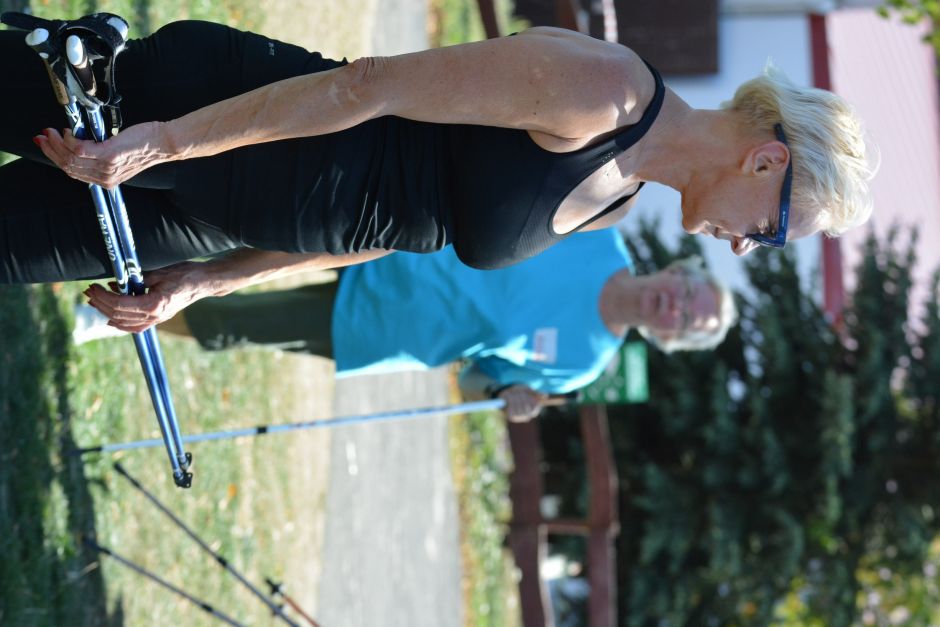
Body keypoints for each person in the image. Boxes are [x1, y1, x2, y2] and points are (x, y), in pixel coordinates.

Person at [1, 17, 873, 333]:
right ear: (766, 159)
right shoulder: (605, 92)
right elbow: (365, 86)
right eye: (771, 230)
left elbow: (390, 233)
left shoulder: (617, 205)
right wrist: (164, 142)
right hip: (200, 117)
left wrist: (209, 280)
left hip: (217, 216)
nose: (747, 247)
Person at [73, 229, 737, 421]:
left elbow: (477, 380)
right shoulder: (600, 236)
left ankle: (109, 313)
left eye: (687, 319)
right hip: (398, 243)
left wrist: (510, 396)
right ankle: (115, 244)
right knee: (245, 242)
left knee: (233, 323)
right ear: (677, 270)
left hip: (390, 325)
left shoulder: (582, 365)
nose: (676, 305)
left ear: (671, 340)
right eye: (689, 291)